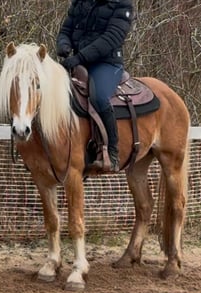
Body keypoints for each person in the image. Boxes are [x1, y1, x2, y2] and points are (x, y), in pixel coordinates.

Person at [56, 0, 134, 172]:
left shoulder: (122, 5)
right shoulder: (80, 3)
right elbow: (66, 29)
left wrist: (79, 58)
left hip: (106, 63)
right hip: (78, 62)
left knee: (99, 97)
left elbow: (111, 38)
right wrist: (63, 45)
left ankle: (112, 153)